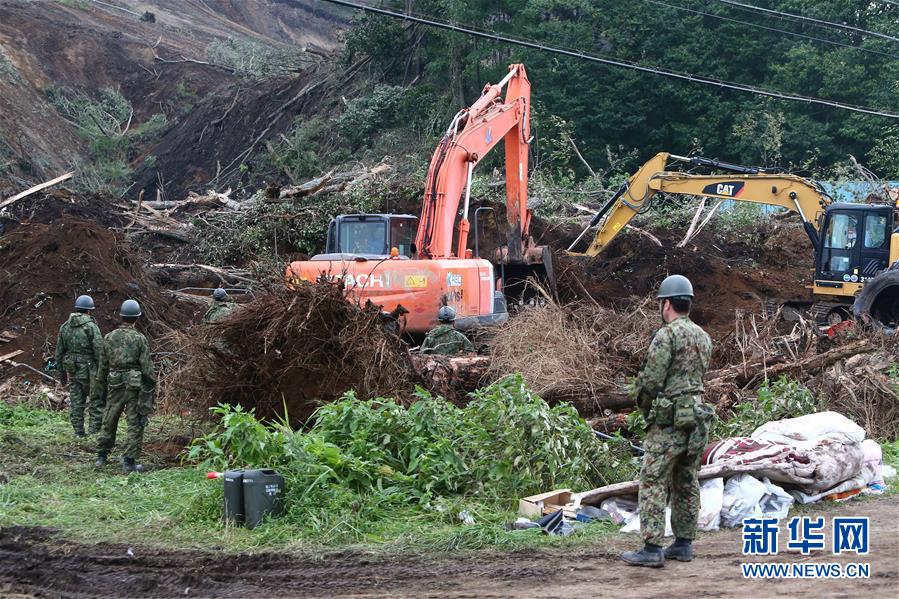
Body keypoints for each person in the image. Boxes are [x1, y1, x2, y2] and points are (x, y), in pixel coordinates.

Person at [621, 274, 713, 568]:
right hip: (697, 419)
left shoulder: (667, 335)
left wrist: (645, 410)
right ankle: (683, 544)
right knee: (686, 479)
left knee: (653, 479)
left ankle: (651, 547)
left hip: (670, 420)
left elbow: (650, 382)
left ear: (667, 304)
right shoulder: (703, 336)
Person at [95, 300, 156, 474]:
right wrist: (150, 387)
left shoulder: (109, 336)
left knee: (109, 417)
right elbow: (147, 368)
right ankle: (129, 462)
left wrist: (100, 388)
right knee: (135, 422)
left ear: (121, 316)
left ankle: (101, 456)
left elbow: (103, 365)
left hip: (114, 382)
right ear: (137, 317)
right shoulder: (139, 338)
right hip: (134, 386)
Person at [54, 295, 104, 436]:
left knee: (76, 401)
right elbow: (99, 351)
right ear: (89, 311)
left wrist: (62, 375)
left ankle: (78, 432)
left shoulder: (65, 327)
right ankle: (94, 432)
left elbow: (58, 353)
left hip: (73, 370)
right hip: (90, 371)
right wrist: (103, 373)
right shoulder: (91, 327)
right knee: (96, 401)